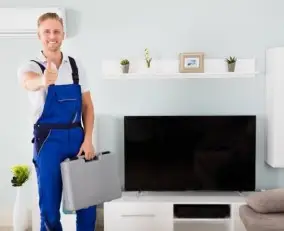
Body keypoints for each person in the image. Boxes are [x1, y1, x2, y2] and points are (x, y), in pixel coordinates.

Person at [17, 12, 97, 230]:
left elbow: (88, 106)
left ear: (63, 35)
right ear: (38, 35)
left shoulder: (76, 66)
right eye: (47, 32)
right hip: (48, 142)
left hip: (77, 138)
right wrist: (43, 80)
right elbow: (27, 83)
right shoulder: (31, 66)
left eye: (56, 31)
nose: (52, 36)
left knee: (87, 204)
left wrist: (88, 139)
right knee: (50, 209)